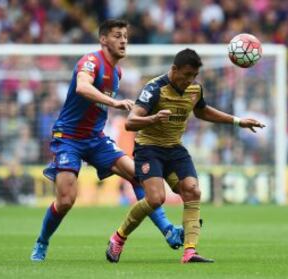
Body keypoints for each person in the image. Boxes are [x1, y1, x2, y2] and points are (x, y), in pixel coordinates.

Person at [30, 19, 183, 262]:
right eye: (117, 36)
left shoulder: (118, 72)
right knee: (66, 200)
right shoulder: (91, 61)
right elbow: (82, 87)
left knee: (138, 175)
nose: (123, 40)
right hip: (68, 138)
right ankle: (42, 241)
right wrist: (115, 102)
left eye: (125, 36)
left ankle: (168, 229)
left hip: (96, 138)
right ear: (103, 39)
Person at [106, 48, 265, 264]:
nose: (190, 80)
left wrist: (238, 121)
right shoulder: (154, 89)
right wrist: (153, 118)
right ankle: (118, 237)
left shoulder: (194, 89)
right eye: (187, 74)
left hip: (175, 149)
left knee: (192, 191)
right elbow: (130, 121)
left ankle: (190, 252)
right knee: (155, 199)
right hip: (149, 148)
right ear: (174, 69)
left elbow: (202, 111)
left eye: (194, 76)